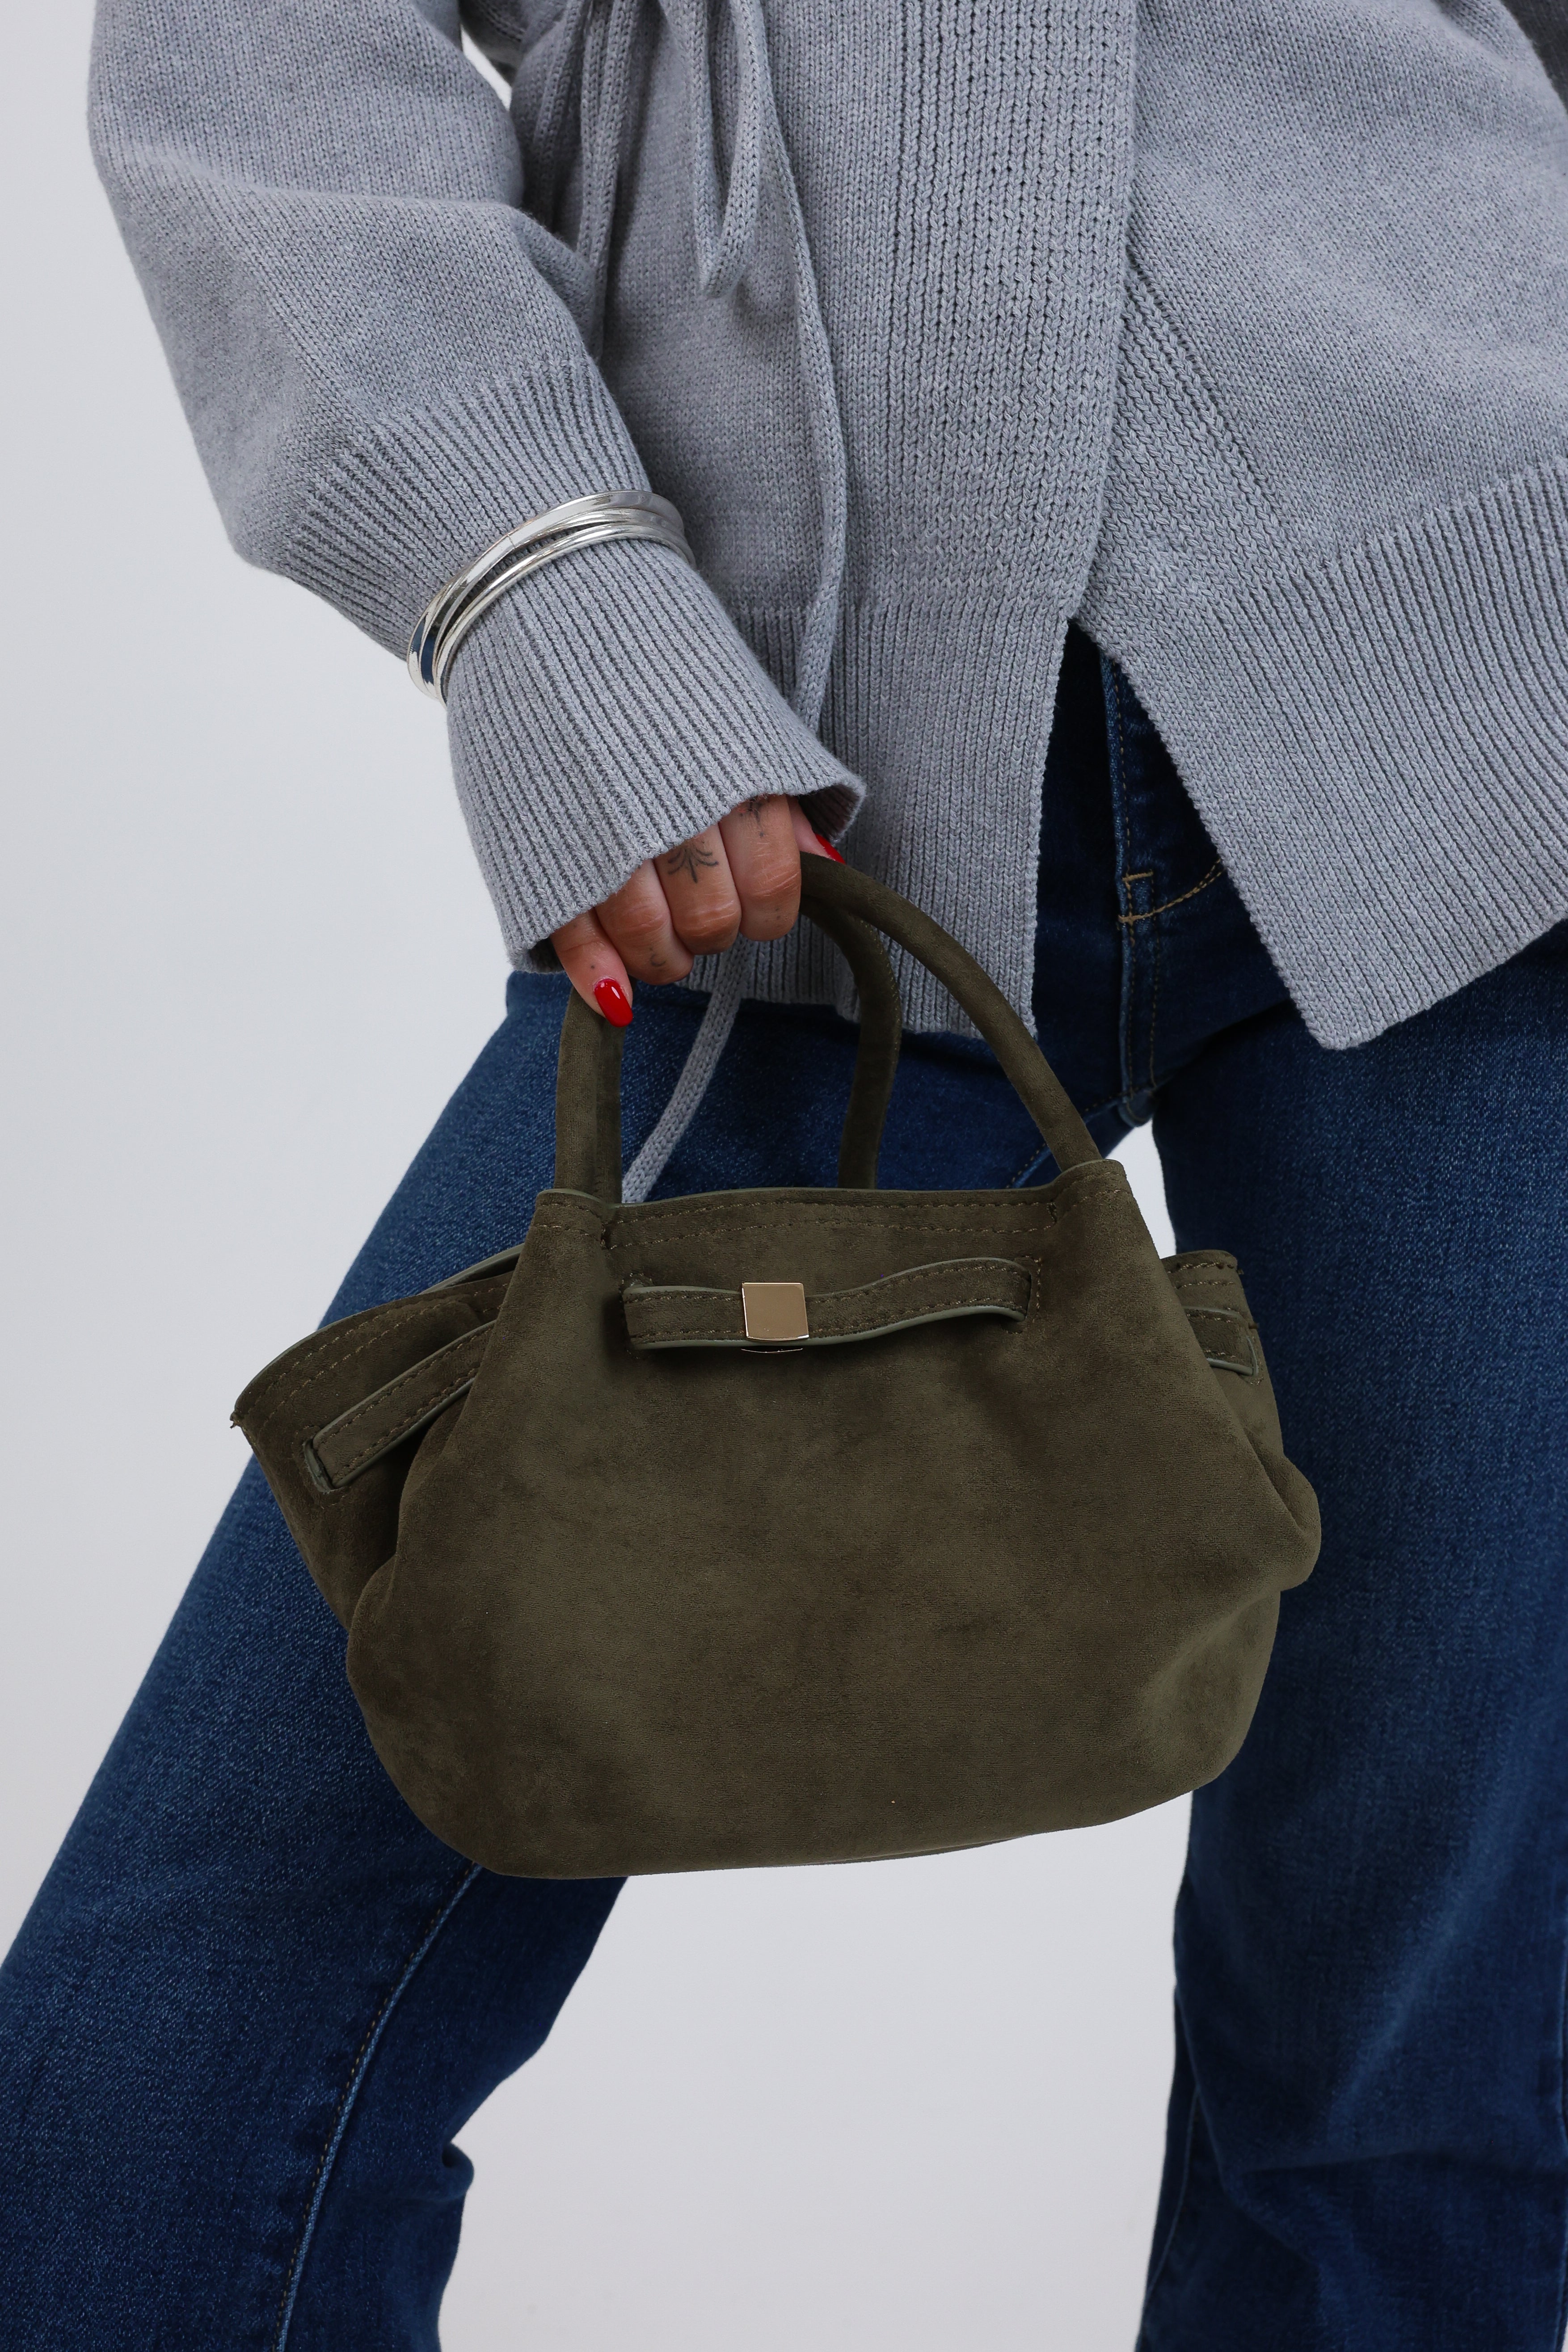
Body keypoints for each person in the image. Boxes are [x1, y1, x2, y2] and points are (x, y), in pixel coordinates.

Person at [2, 0, 1566, 2342]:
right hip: (774, 794)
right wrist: (538, 588)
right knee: (171, 2056)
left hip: (1490, 689)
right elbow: (250, 60)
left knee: (1399, 2086)